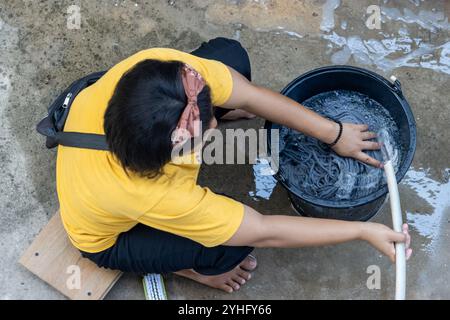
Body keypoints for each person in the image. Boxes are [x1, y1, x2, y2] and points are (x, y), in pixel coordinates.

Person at [57, 37, 412, 293]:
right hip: (107, 238)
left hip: (116, 147)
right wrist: (363, 232)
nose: (215, 127)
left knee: (231, 57)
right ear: (165, 160)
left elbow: (250, 94)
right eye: (205, 130)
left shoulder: (163, 73)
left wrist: (334, 133)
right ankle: (195, 271)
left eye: (209, 114)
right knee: (229, 250)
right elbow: (263, 229)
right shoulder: (149, 194)